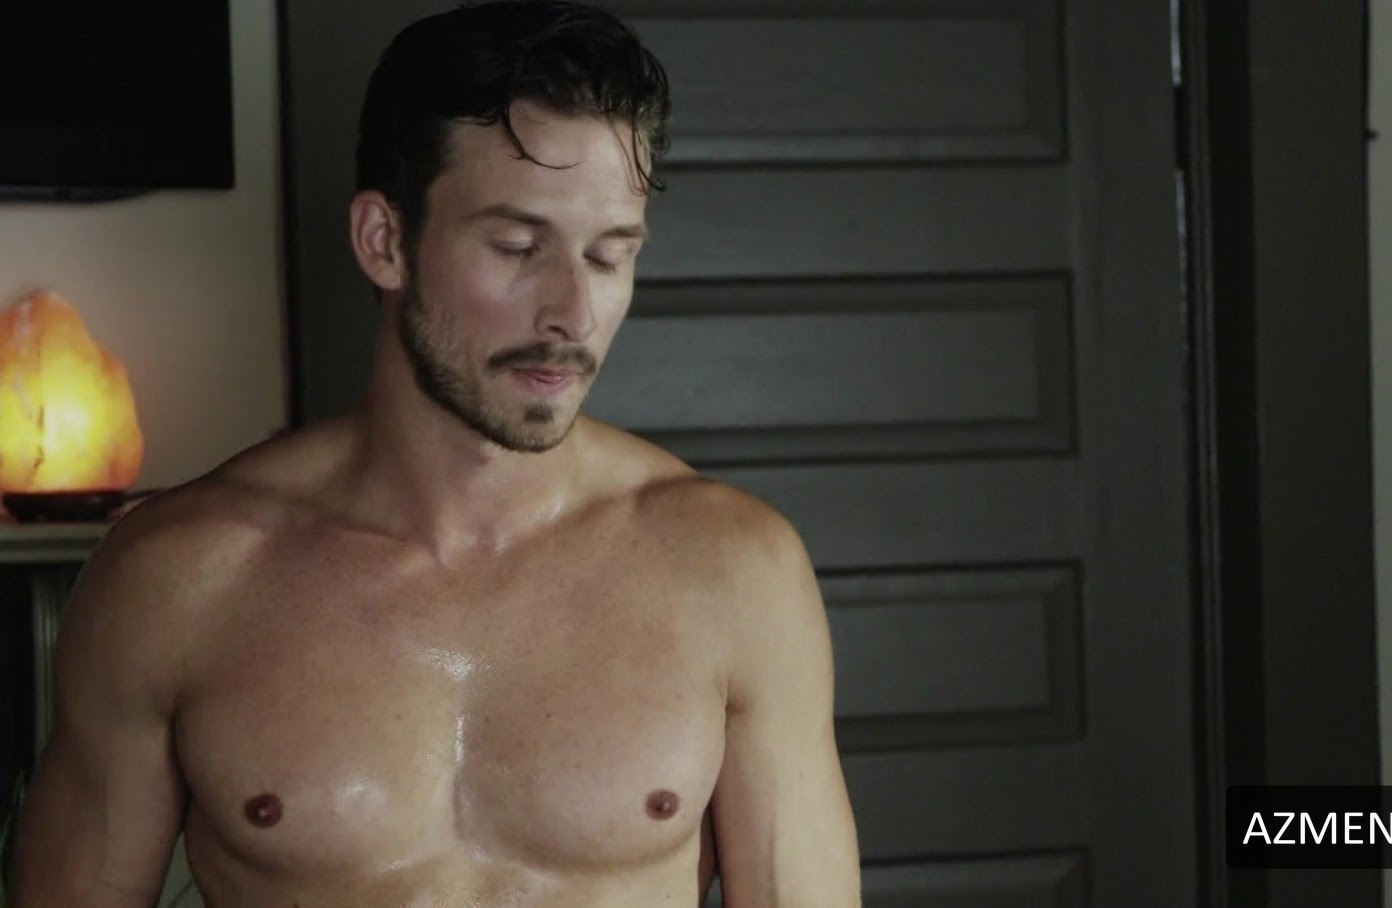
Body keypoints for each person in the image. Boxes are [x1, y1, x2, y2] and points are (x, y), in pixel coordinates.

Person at [8, 2, 861, 905]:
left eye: (609, 257)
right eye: (518, 247)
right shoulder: (178, 581)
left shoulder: (735, 573)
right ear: (385, 242)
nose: (572, 312)